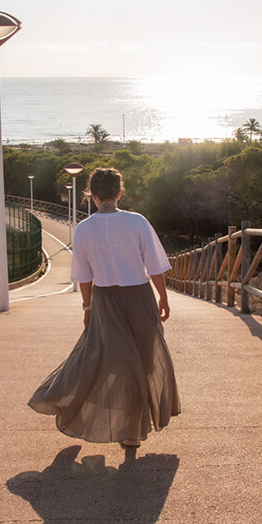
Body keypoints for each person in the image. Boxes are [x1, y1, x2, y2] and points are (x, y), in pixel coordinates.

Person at [29, 167, 180, 448]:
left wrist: (87, 308)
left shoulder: (84, 229)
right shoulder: (138, 222)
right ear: (119, 193)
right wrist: (163, 297)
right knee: (143, 362)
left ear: (93, 196)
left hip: (105, 301)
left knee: (110, 361)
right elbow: (156, 266)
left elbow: (85, 278)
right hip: (140, 298)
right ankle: (132, 431)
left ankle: (99, 415)